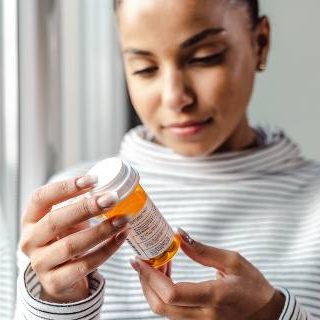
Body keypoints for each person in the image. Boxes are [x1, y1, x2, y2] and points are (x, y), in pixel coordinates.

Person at [15, 0, 320, 319]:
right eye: (145, 68)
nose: (176, 97)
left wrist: (273, 313)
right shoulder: (70, 213)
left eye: (204, 58)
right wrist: (56, 303)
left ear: (260, 43)